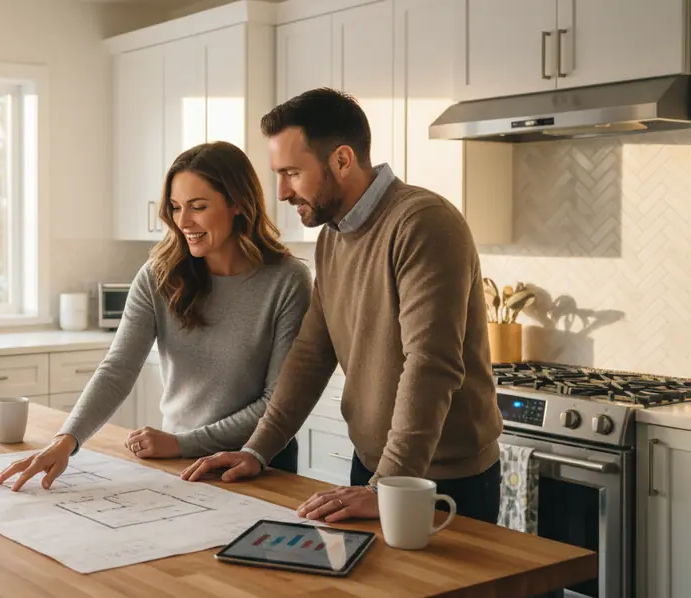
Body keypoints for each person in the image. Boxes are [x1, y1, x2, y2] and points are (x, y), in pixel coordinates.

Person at [180, 88, 504, 525]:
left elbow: (431, 364)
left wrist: (389, 487)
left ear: (342, 160)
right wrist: (257, 450)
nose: (282, 192)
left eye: (292, 173)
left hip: (436, 481)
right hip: (373, 471)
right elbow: (312, 352)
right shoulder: (332, 237)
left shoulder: (423, 223)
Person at [0, 140, 312, 491]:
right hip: (180, 463)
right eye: (175, 207)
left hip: (260, 464)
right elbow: (118, 369)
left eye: (198, 206)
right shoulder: (159, 275)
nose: (183, 221)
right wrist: (66, 440)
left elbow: (276, 402)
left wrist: (182, 443)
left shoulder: (287, 281)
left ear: (238, 203)